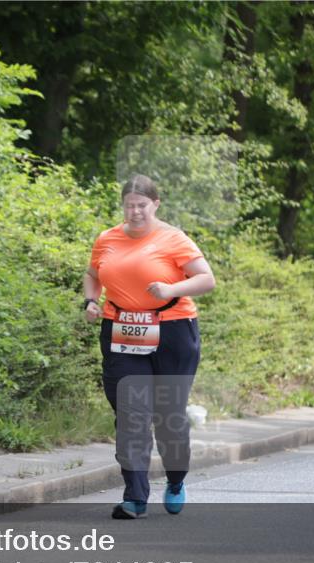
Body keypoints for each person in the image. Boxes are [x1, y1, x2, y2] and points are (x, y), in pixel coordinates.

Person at [82, 175, 215, 519]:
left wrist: (170, 290)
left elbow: (206, 279)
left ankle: (175, 479)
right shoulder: (107, 238)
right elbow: (93, 274)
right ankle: (135, 496)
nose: (135, 211)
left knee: (168, 416)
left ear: (156, 204)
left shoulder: (174, 239)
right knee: (130, 414)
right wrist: (90, 301)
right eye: (129, 205)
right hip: (122, 330)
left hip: (172, 331)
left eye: (142, 205)